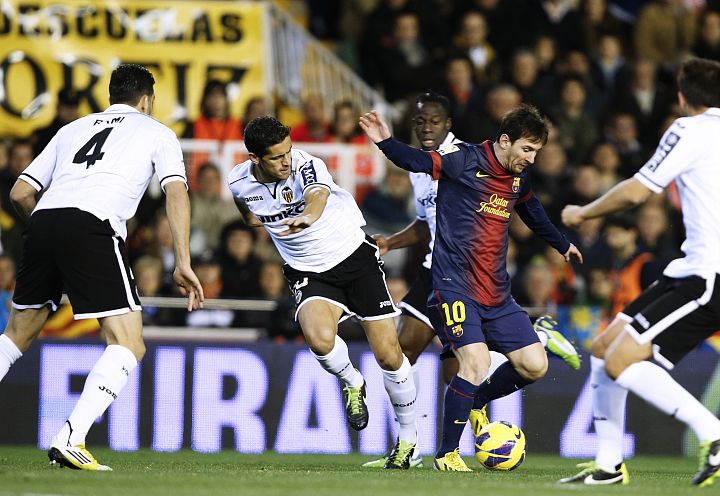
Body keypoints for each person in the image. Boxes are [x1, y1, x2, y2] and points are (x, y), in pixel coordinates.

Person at [558, 57, 720, 487]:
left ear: (682, 97)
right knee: (603, 349)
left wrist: (582, 212)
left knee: (620, 361)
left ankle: (715, 432)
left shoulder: (688, 129)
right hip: (692, 273)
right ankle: (608, 466)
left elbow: (637, 190)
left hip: (711, 279)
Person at [0, 64, 204, 471]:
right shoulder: (157, 132)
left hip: (43, 221)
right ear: (146, 100)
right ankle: (72, 438)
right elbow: (176, 193)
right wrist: (182, 260)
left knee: (16, 336)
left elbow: (21, 192)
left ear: (112, 96)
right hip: (92, 225)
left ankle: (71, 438)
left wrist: (48, 231)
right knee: (128, 343)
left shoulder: (72, 129)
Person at [360, 104, 582, 472]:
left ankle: (475, 401)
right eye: (527, 149)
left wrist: (560, 243)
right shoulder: (463, 160)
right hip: (453, 287)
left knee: (534, 365)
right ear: (506, 141)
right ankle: (446, 454)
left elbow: (531, 210)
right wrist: (385, 140)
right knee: (474, 362)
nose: (531, 158)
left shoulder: (517, 178)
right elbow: (416, 160)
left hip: (496, 293)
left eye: (537, 152)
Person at [227, 115, 417, 469]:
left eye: (288, 151)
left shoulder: (306, 166)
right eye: (276, 157)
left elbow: (317, 195)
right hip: (308, 270)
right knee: (318, 338)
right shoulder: (238, 182)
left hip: (354, 260)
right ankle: (352, 381)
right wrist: (257, 221)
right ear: (254, 158)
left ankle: (408, 442)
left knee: (390, 356)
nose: (287, 160)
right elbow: (248, 214)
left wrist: (308, 217)